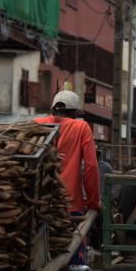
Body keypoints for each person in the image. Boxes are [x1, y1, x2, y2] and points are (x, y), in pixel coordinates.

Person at [34, 90, 100, 261]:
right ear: (76, 112)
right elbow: (91, 167)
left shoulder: (36, 124)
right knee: (73, 257)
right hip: (70, 204)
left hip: (37, 202)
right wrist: (93, 202)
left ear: (53, 109)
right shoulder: (81, 127)